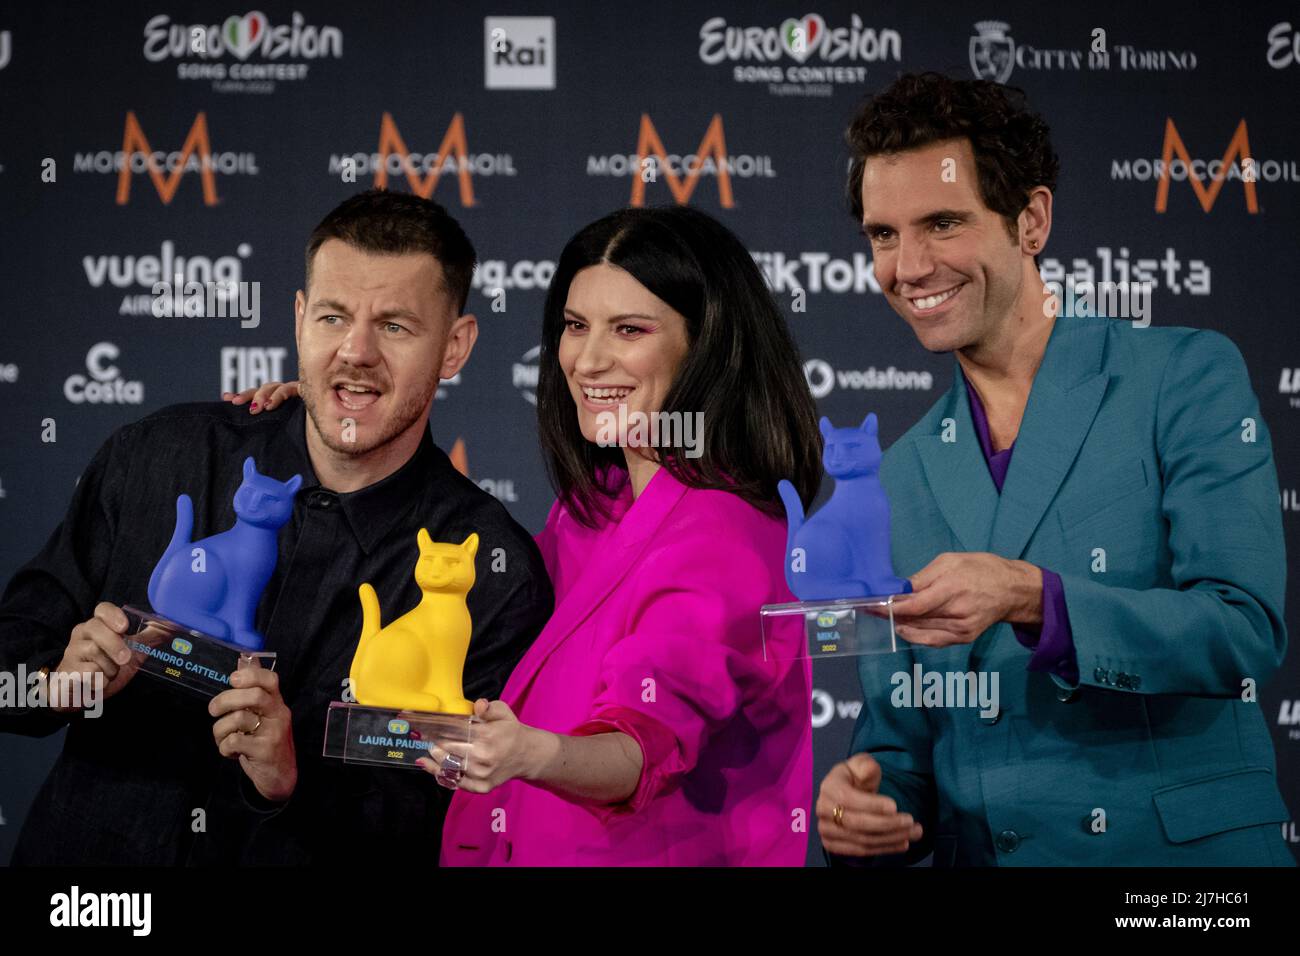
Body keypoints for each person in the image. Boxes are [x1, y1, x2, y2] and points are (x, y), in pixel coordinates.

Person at [234, 205, 823, 865]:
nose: (590, 359)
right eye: (575, 326)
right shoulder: (591, 511)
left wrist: (528, 753)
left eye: (629, 329)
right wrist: (333, 405)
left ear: (706, 343)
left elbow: (639, 747)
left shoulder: (723, 532)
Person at [816, 72, 1293, 866]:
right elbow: (903, 744)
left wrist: (1034, 598)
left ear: (1030, 219)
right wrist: (867, 806)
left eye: (942, 222)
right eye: (883, 235)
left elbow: (1242, 630)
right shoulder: (897, 479)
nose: (909, 266)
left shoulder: (1182, 377)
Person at [0, 189, 552, 864]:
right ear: (298, 320)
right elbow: (9, 667)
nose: (356, 352)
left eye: (396, 326)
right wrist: (57, 683)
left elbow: (453, 814)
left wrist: (291, 780)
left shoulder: (493, 572)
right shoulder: (159, 456)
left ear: (455, 346)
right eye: (332, 316)